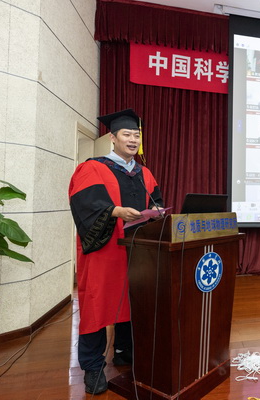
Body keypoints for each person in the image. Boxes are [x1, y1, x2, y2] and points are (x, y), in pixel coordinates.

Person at [68, 109, 164, 395]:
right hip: (104, 250)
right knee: (97, 304)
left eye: (136, 135)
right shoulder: (92, 168)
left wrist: (157, 210)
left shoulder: (144, 172)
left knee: (134, 300)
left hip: (138, 251)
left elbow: (156, 200)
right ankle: (92, 366)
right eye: (127, 134)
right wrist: (115, 211)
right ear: (113, 137)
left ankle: (124, 350)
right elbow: (85, 205)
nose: (133, 140)